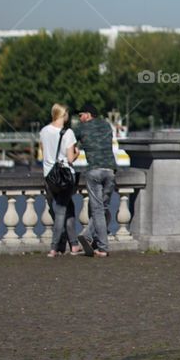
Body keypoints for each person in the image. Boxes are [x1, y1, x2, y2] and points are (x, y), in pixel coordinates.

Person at [73, 103, 116, 258]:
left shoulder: (81, 128)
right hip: (110, 171)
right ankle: (88, 236)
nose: (80, 118)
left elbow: (69, 139)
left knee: (97, 210)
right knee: (102, 208)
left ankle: (103, 248)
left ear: (88, 114)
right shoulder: (107, 125)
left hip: (95, 172)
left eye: (80, 115)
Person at [39, 103, 81, 257]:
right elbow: (70, 159)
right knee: (62, 211)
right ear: (64, 115)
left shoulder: (43, 131)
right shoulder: (68, 133)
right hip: (64, 177)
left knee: (68, 209)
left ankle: (74, 245)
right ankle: (54, 247)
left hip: (49, 176)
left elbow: (44, 154)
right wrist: (77, 152)